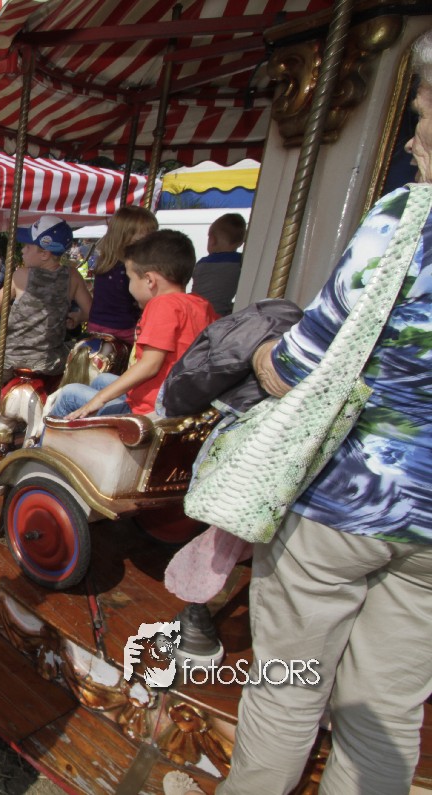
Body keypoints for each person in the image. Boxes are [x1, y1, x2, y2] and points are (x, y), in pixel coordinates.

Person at [216, 31, 432, 795]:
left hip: (351, 501)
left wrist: (261, 352)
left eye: (423, 113)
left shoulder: (407, 216)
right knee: (388, 709)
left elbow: (298, 369)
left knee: (290, 683)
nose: (413, 136)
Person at [47, 230, 218, 420]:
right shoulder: (201, 304)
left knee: (69, 394)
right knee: (102, 379)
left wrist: (99, 399)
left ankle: (45, 438)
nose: (129, 286)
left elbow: (150, 365)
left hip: (149, 410)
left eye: (130, 279)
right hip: (177, 400)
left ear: (150, 280)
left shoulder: (163, 305)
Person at [0, 216, 92, 434]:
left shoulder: (21, 275)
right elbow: (89, 312)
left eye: (28, 246)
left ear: (44, 253)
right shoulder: (72, 276)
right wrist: (76, 318)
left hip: (12, 357)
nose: (22, 250)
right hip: (50, 358)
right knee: (73, 358)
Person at [86, 205, 158, 344]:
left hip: (97, 325)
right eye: (147, 239)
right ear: (126, 237)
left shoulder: (106, 263)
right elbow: (142, 301)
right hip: (124, 328)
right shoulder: (128, 269)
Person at [190, 212, 247, 316]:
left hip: (196, 311)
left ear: (212, 240)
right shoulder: (241, 263)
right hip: (221, 315)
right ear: (241, 242)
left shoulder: (202, 264)